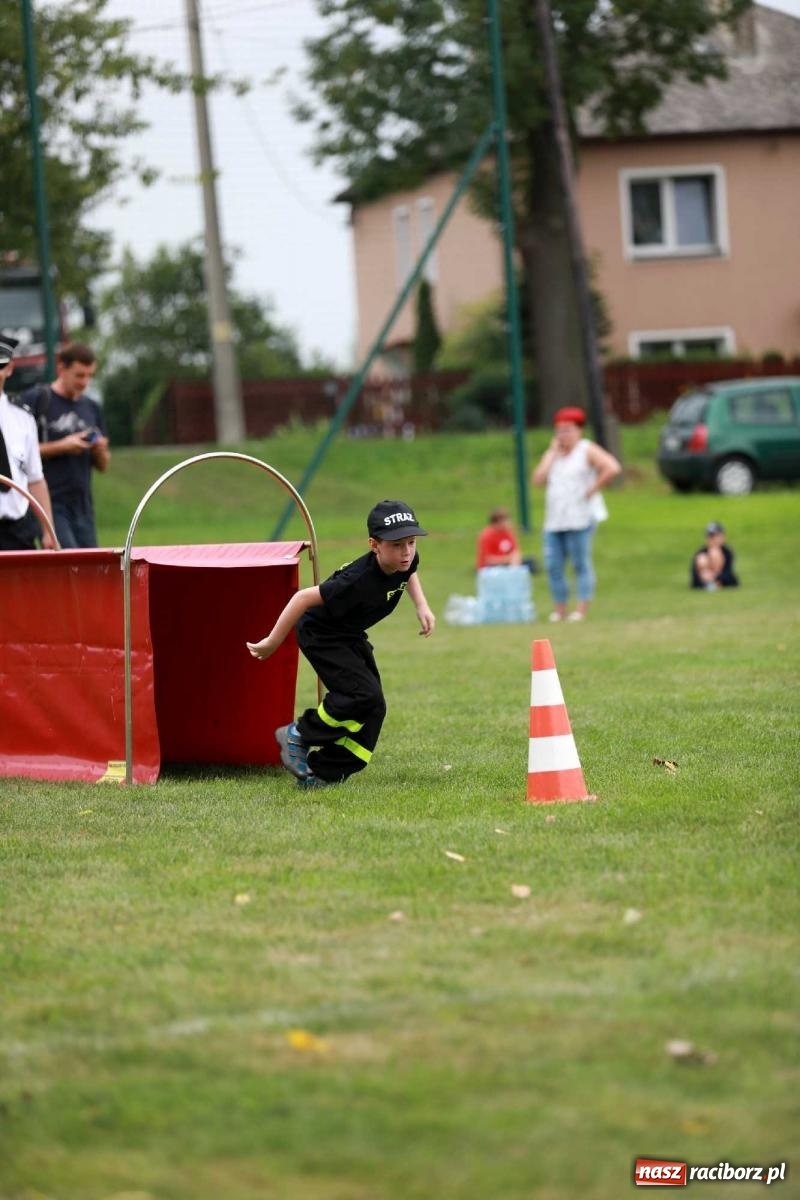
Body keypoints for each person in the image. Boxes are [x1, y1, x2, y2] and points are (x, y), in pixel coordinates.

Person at [246, 499, 435, 789]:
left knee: (373, 706)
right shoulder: (356, 580)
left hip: (349, 634)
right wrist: (273, 641)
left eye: (410, 542)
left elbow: (410, 572)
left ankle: (323, 773)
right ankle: (298, 734)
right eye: (397, 545)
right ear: (374, 545)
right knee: (361, 694)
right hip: (321, 633)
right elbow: (302, 598)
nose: (406, 552)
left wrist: (421, 605)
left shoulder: (406, 561)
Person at [532, 406, 622, 622]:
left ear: (578, 430)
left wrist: (592, 488)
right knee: (554, 566)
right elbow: (537, 480)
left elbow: (612, 467)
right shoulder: (553, 454)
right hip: (555, 520)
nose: (563, 435)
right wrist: (552, 453)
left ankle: (580, 609)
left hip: (580, 518)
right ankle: (560, 609)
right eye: (559, 430)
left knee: (580, 563)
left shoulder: (586, 449)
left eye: (567, 430)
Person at [22, 342, 110, 548]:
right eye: (79, 375)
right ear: (61, 368)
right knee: (69, 565)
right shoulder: (38, 399)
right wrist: (63, 446)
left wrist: (100, 450)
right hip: (50, 504)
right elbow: (18, 454)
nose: (85, 382)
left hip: (83, 506)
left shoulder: (92, 407)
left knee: (91, 569)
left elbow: (104, 466)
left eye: (90, 376)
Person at [0, 335, 56, 551]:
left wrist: (48, 530)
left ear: (9, 369)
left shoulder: (23, 419)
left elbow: (35, 478)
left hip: (18, 530)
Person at [691, 521, 739, 589]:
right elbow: (694, 577)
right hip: (704, 579)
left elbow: (729, 573)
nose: (713, 539)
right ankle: (709, 584)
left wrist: (715, 576)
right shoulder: (700, 553)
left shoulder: (727, 552)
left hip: (719, 579)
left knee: (714, 553)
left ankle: (715, 584)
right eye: (711, 537)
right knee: (702, 559)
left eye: (716, 536)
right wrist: (704, 577)